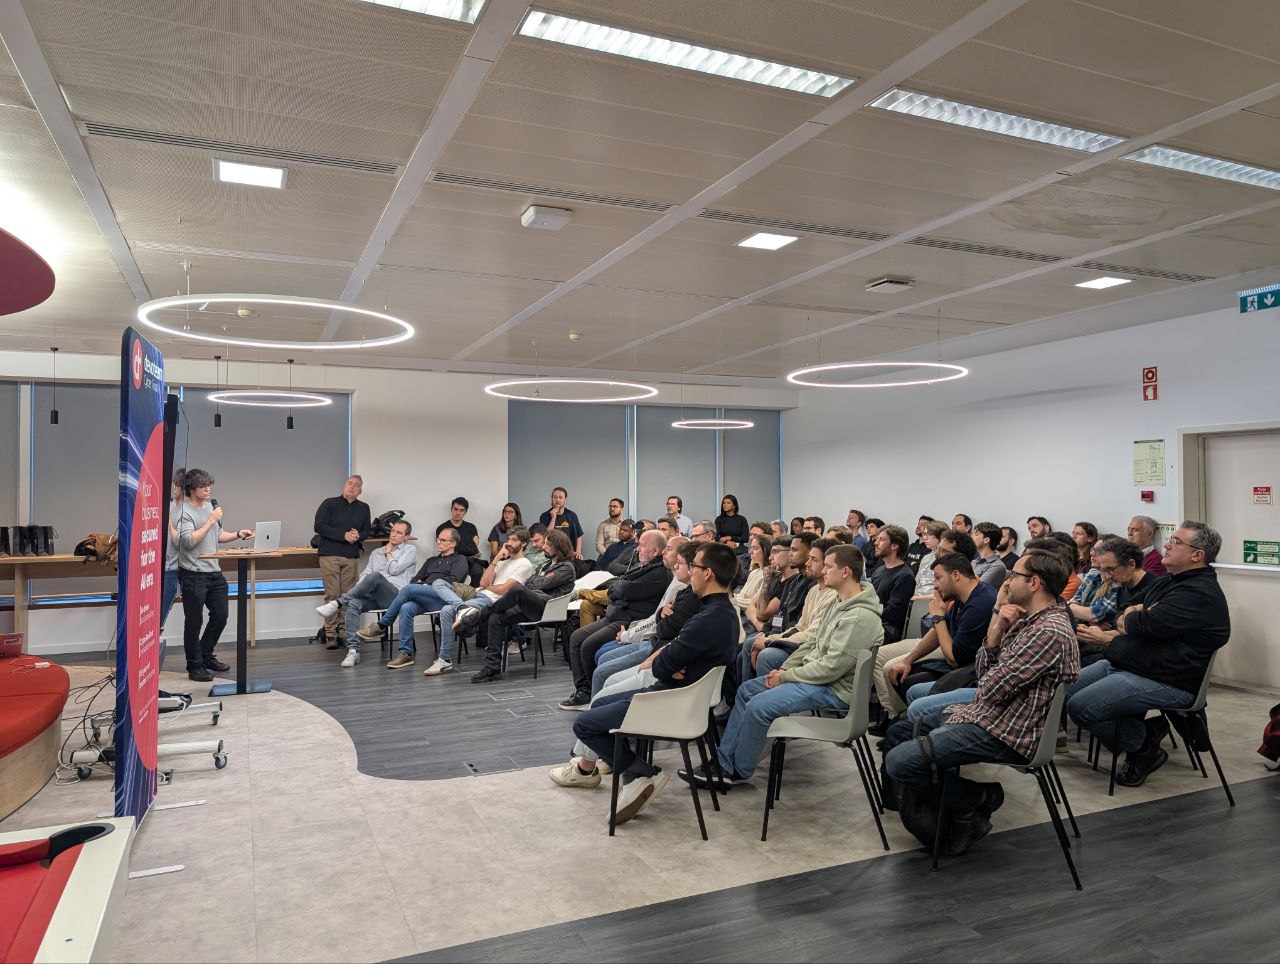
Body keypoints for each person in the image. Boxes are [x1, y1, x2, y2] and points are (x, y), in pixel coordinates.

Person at [886, 550, 1078, 856]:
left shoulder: (1048, 632)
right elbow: (983, 673)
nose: (1007, 581)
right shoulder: (1027, 620)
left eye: (1015, 575)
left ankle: (976, 798)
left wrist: (996, 632)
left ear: (1034, 583)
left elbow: (987, 688)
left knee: (900, 760)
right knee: (901, 731)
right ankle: (956, 815)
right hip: (992, 717)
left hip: (1008, 733)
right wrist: (997, 625)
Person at [554, 542, 739, 820]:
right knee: (601, 701)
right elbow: (670, 653)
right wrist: (668, 660)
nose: (690, 571)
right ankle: (633, 775)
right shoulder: (723, 613)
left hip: (670, 701)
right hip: (682, 696)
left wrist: (666, 662)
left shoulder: (706, 619)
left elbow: (663, 667)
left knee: (585, 724)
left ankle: (641, 772)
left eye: (695, 566)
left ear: (708, 573)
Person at [683, 544, 884, 787]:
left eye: (828, 566)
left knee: (758, 705)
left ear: (845, 572)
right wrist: (786, 670)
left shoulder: (859, 617)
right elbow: (811, 643)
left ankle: (737, 771)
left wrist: (786, 678)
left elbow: (832, 669)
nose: (823, 571)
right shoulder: (838, 603)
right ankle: (725, 762)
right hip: (819, 679)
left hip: (834, 689)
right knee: (747, 691)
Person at [1067, 521, 1229, 787]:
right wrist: (1133, 616)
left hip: (1168, 679)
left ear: (1197, 555)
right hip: (1135, 663)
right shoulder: (1170, 581)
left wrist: (1133, 618)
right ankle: (1147, 732)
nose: (1166, 544)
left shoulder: (1197, 593)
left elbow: (1138, 624)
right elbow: (1124, 611)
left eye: (1176, 542)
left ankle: (1143, 747)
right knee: (1066, 689)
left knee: (1081, 707)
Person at [559, 529, 671, 709]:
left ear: (655, 551)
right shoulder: (643, 565)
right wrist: (619, 589)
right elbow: (617, 583)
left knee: (587, 645)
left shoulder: (658, 573)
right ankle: (584, 690)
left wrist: (619, 589)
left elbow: (624, 589)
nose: (637, 549)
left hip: (628, 621)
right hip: (616, 614)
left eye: (642, 545)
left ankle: (588, 693)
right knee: (577, 637)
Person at [884, 552, 999, 709]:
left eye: (938, 578)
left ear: (956, 575)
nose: (935, 585)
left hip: (970, 673)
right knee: (900, 673)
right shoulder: (962, 596)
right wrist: (908, 660)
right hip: (958, 666)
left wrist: (938, 617)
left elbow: (955, 659)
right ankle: (906, 721)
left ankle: (912, 723)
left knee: (908, 681)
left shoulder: (980, 604)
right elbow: (937, 634)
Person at [175, 469, 254, 682]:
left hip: (214, 572)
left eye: (209, 485)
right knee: (194, 622)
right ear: (191, 489)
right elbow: (188, 541)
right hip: (193, 573)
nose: (208, 489)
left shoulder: (210, 507)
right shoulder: (184, 512)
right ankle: (195, 666)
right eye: (203, 486)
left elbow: (217, 535)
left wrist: (238, 534)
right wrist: (211, 519)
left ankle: (206, 654)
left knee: (221, 616)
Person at [470, 530, 577, 683]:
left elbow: (540, 583)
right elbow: (531, 581)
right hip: (529, 606)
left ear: (558, 546)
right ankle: (492, 668)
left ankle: (479, 616)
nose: (543, 547)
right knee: (496, 617)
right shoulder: (544, 565)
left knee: (517, 589)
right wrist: (538, 581)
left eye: (548, 544)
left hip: (547, 608)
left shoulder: (567, 567)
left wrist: (538, 581)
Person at [358, 529, 468, 669]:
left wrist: (425, 584)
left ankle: (382, 625)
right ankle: (406, 654)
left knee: (408, 589)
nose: (438, 542)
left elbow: (454, 581)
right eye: (438, 539)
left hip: (445, 599)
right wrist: (421, 584)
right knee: (406, 607)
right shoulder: (431, 561)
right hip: (427, 598)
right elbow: (415, 579)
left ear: (453, 543)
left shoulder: (460, 560)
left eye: (443, 540)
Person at [431, 527, 534, 677]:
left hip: (492, 601)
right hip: (477, 595)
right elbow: (483, 581)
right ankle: (461, 608)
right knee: (438, 583)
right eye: (508, 539)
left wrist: (489, 588)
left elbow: (504, 590)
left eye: (514, 540)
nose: (509, 543)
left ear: (523, 543)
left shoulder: (525, 564)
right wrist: (498, 557)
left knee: (447, 610)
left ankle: (444, 659)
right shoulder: (502, 562)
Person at [318, 519, 417, 667]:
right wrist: (359, 590)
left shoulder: (410, 550)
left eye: (399, 533)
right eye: (393, 531)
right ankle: (353, 650)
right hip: (374, 596)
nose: (394, 535)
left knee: (376, 577)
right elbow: (365, 575)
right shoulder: (377, 553)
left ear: (406, 537)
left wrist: (389, 552)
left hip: (395, 597)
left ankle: (338, 602)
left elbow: (394, 569)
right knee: (353, 603)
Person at [741, 537, 838, 682]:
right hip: (788, 635)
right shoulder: (809, 588)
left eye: (813, 559)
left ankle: (762, 696)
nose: (807, 563)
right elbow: (798, 626)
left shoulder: (828, 594)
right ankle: (748, 694)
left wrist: (769, 640)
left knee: (766, 655)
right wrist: (769, 637)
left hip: (805, 647)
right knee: (749, 643)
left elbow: (810, 635)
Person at [1075, 538, 1156, 668]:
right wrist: (1091, 633)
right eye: (1104, 571)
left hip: (1137, 659)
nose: (1107, 577)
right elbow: (1121, 627)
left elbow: (1139, 633)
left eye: (1110, 570)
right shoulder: (1121, 586)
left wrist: (1103, 636)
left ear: (1131, 564)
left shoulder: (1154, 588)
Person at [313, 475, 372, 649]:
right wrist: (343, 535)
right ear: (344, 486)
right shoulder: (329, 503)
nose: (352, 487)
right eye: (350, 484)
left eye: (357, 486)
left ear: (360, 491)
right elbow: (319, 526)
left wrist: (358, 536)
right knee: (332, 596)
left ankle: (345, 633)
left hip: (351, 556)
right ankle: (331, 635)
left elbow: (367, 530)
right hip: (329, 555)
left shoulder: (364, 508)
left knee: (348, 597)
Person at [869, 525, 914, 644]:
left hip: (887, 630)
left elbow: (893, 613)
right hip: (872, 622)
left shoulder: (905, 576)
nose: (876, 543)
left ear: (894, 546)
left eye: (881, 540)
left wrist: (866, 614)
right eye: (877, 539)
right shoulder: (879, 571)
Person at [160, 472, 184, 633]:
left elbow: (179, 540)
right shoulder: (165, 505)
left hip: (178, 566)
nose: (174, 488)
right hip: (164, 566)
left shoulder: (187, 510)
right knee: (159, 611)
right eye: (173, 484)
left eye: (177, 485)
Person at [732, 533, 771, 618]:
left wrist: (731, 599)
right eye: (751, 547)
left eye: (755, 548)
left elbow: (754, 604)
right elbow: (742, 596)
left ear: (766, 551)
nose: (750, 552)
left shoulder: (770, 575)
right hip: (741, 612)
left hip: (750, 617)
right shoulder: (754, 572)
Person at [540, 486, 584, 559]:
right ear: (552, 499)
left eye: (560, 497)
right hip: (551, 554)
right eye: (555, 497)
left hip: (570, 553)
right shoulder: (544, 516)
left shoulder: (572, 515)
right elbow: (545, 536)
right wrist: (553, 517)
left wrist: (578, 552)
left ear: (565, 500)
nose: (557, 500)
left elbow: (579, 535)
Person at [911, 520, 948, 603]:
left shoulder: (947, 559)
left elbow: (946, 591)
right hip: (917, 601)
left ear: (941, 537)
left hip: (935, 603)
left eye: (929, 534)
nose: (925, 538)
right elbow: (918, 583)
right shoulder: (925, 558)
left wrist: (919, 598)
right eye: (924, 534)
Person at [971, 522, 1008, 589]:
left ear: (986, 540)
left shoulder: (997, 566)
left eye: (976, 534)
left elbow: (975, 590)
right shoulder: (974, 562)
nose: (971, 537)